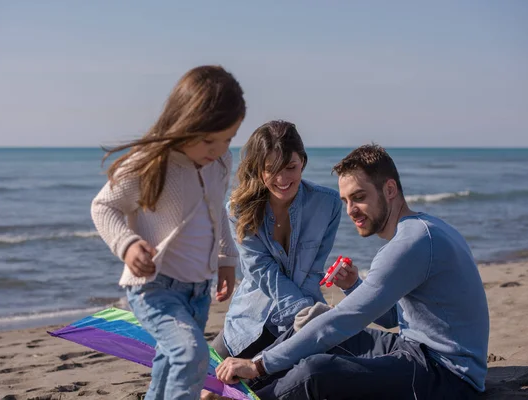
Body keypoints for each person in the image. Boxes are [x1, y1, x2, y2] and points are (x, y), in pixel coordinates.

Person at [216, 144, 489, 399]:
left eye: (359, 197)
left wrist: (259, 364)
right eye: (346, 200)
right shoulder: (423, 230)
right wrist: (353, 285)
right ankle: (239, 390)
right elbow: (394, 317)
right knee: (312, 331)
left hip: (448, 374)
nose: (351, 211)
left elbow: (344, 321)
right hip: (415, 348)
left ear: (390, 189)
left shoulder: (411, 243)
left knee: (317, 372)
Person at [91, 65, 245, 400]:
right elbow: (104, 207)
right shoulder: (150, 163)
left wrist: (227, 259)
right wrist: (127, 245)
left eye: (228, 139)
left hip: (198, 293)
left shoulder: (219, 162)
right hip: (154, 288)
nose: (219, 148)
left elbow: (216, 211)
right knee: (191, 355)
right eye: (209, 139)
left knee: (168, 362)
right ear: (183, 122)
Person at [210, 120, 343, 360]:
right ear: (259, 169)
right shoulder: (238, 210)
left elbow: (313, 271)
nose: (282, 178)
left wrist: (310, 319)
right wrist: (303, 310)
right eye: (272, 169)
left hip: (305, 321)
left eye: (290, 167)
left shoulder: (329, 204)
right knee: (204, 380)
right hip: (251, 321)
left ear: (302, 161)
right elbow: (262, 270)